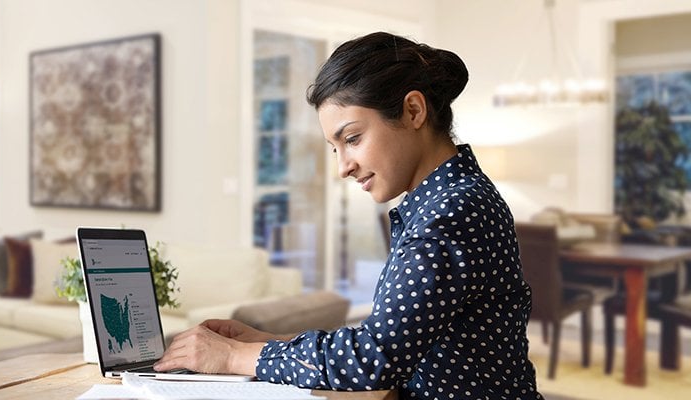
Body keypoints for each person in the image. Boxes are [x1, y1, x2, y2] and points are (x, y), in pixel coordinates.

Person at [154, 31, 543, 399]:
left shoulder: (453, 210)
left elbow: (375, 359)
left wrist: (232, 357)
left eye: (352, 139)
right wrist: (261, 343)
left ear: (413, 111)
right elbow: (389, 338)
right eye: (334, 148)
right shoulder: (442, 201)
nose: (343, 167)